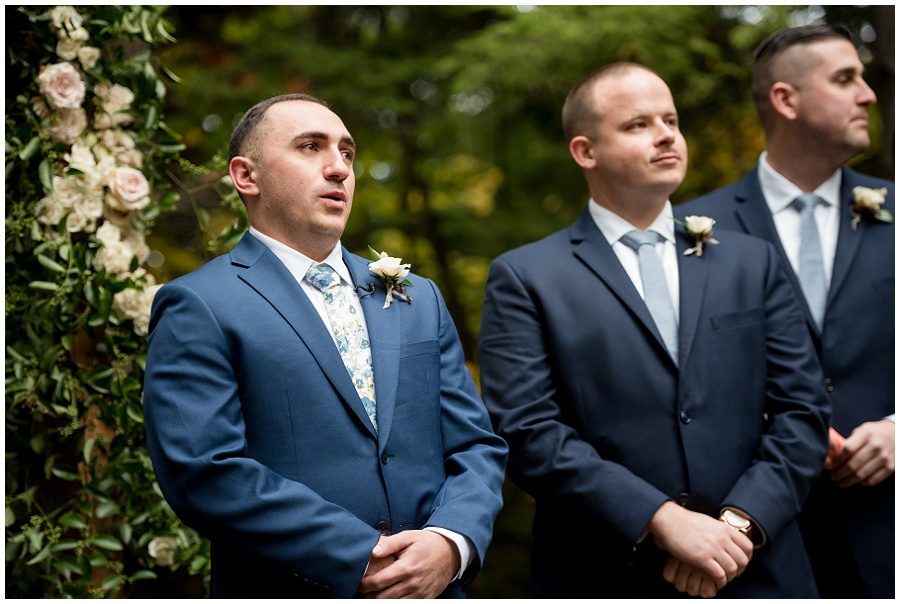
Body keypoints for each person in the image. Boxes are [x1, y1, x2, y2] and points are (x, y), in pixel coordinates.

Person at [478, 63, 831, 597]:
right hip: (608, 572)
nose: (667, 134)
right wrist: (662, 519)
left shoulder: (751, 261)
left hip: (762, 569)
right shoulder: (527, 276)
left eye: (671, 119)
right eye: (638, 124)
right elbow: (527, 431)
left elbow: (802, 411)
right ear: (585, 152)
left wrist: (736, 529)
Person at [142, 93, 507, 598]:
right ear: (247, 177)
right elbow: (204, 469)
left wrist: (451, 541)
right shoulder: (200, 303)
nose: (338, 168)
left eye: (347, 153)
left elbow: (475, 445)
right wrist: (362, 556)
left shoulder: (415, 296)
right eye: (311, 147)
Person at [680, 25, 894, 598]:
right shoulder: (693, 231)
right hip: (758, 539)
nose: (869, 94)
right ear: (785, 99)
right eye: (846, 79)